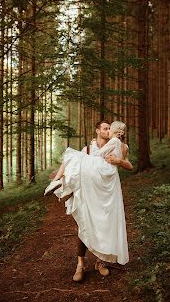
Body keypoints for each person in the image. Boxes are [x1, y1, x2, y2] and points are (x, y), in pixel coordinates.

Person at [45, 120, 132, 281]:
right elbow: (77, 168)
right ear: (98, 131)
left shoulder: (118, 144)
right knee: (85, 225)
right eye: (105, 128)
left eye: (109, 128)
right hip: (89, 192)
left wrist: (119, 161)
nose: (107, 130)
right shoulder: (88, 149)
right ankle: (80, 265)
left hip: (105, 192)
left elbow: (129, 165)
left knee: (103, 225)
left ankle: (100, 263)